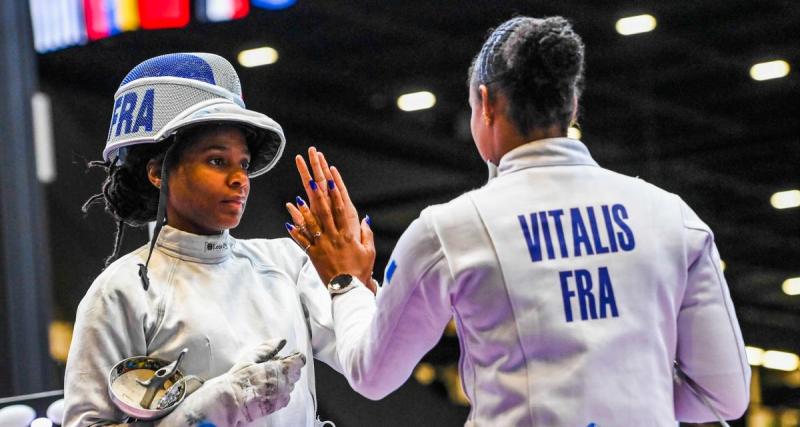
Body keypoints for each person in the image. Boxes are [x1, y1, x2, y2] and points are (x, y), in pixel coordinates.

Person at [286, 16, 751, 426]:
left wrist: (346, 282)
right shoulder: (674, 216)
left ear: (485, 103)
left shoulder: (450, 229)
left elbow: (372, 374)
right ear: (572, 107)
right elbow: (723, 398)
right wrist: (622, 391)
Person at [64, 53, 345, 426]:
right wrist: (211, 408)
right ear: (157, 173)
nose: (239, 179)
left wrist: (354, 285)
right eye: (216, 161)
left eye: (243, 164)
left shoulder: (285, 263)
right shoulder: (120, 291)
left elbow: (370, 362)